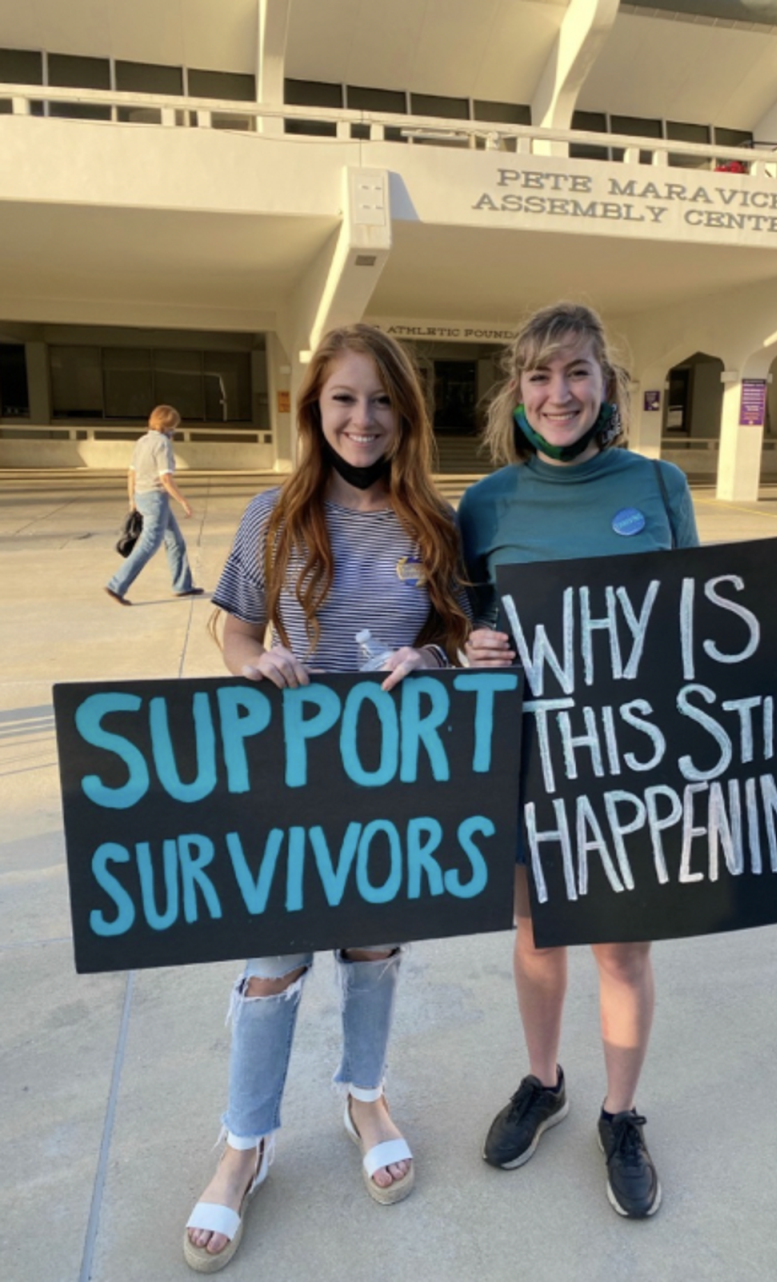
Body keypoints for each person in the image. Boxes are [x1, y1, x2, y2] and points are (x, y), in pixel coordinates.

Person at [457, 301, 777, 1221]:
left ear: (607, 386)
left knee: (622, 949)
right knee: (536, 934)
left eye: (577, 372)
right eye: (541, 376)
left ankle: (620, 1115)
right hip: (529, 759)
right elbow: (465, 619)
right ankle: (542, 1083)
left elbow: (706, 623)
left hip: (635, 767)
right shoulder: (485, 502)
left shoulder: (659, 485)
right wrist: (471, 643)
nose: (560, 393)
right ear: (517, 392)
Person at [183, 324, 470, 1271]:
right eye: (345, 398)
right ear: (316, 408)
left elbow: (456, 640)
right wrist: (253, 657)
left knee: (375, 949)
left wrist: (429, 657)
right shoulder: (273, 512)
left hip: (389, 784)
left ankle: (365, 1096)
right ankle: (244, 1143)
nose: (364, 418)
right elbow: (232, 628)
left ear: (407, 414)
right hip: (291, 781)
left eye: (383, 400)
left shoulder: (433, 520)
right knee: (273, 968)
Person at [104, 404, 203, 604]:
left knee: (175, 541)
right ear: (169, 426)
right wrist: (183, 501)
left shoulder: (142, 441)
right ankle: (117, 585)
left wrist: (132, 499)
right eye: (174, 426)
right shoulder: (162, 444)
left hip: (142, 495)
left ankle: (182, 585)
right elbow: (165, 478)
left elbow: (131, 473)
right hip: (155, 498)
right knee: (149, 544)